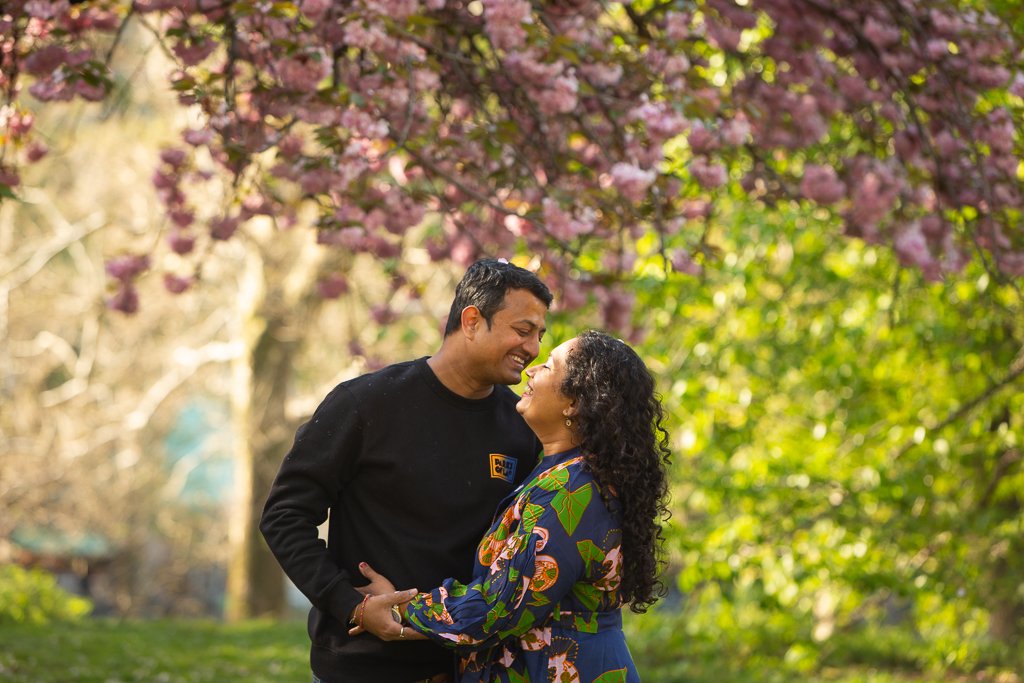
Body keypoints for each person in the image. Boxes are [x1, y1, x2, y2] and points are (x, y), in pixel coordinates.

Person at [260, 258, 553, 683]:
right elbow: (284, 515)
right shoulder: (365, 404)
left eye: (539, 335)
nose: (534, 349)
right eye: (523, 330)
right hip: (363, 667)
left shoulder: (521, 426)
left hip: (471, 670)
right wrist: (350, 604)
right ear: (472, 320)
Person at [351, 330, 672, 682]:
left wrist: (401, 605)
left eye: (549, 366)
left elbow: (500, 608)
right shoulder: (564, 473)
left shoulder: (571, 490)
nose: (532, 370)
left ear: (574, 402)